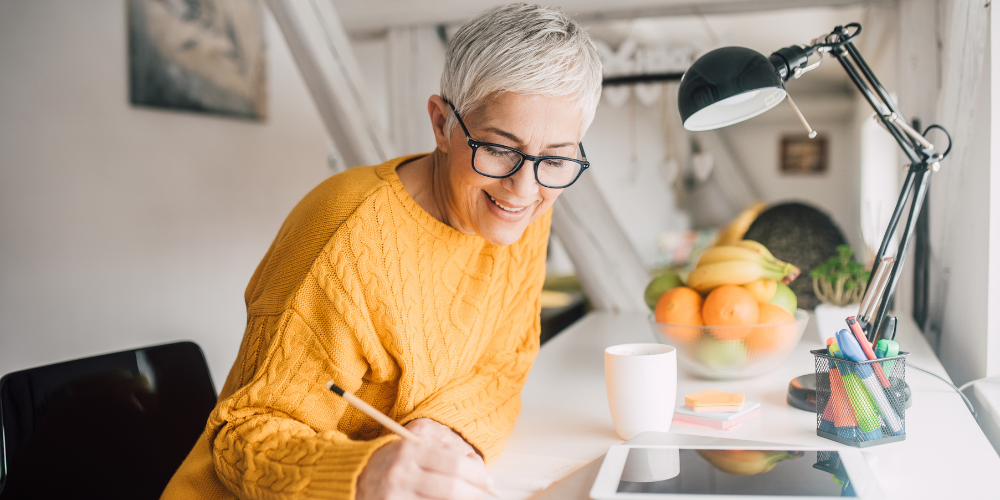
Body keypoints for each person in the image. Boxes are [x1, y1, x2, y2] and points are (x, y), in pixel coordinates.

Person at [160, 3, 602, 499]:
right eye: (499, 149)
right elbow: (239, 437)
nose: (523, 187)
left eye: (557, 158)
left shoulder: (523, 209)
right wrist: (363, 472)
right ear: (441, 124)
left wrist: (445, 424)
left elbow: (507, 362)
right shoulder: (348, 238)